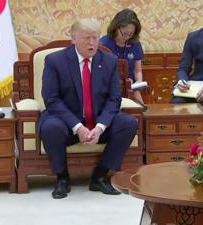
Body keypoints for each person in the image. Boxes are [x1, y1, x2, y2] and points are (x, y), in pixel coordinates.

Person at [39, 19, 138, 199]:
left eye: (95, 38)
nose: (92, 43)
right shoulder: (55, 61)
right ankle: (62, 178)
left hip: (98, 122)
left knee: (128, 123)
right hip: (67, 124)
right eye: (86, 38)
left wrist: (100, 127)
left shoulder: (108, 61)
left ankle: (100, 176)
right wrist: (78, 127)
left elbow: (114, 99)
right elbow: (51, 99)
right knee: (50, 127)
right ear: (73, 39)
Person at [100, 8, 144, 104]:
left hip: (131, 88)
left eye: (130, 34)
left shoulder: (135, 43)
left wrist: (138, 84)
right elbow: (100, 74)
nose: (127, 37)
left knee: (141, 110)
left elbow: (138, 70)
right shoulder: (104, 44)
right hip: (110, 89)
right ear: (116, 27)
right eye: (124, 33)